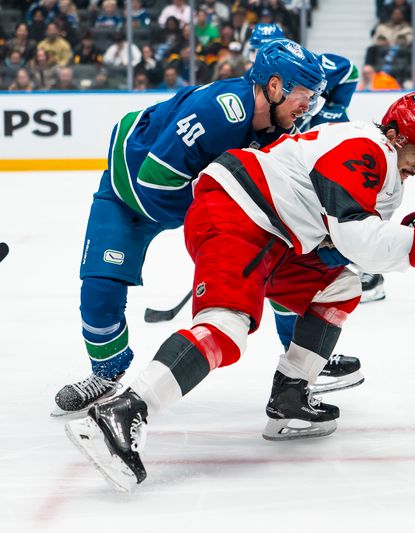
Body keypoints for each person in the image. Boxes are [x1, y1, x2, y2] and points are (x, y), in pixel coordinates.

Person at [65, 92, 415, 491]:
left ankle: (289, 398)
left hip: (276, 234)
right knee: (226, 329)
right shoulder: (365, 146)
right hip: (239, 213)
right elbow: (359, 239)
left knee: (339, 285)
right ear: (396, 136)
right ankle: (122, 412)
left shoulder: (384, 172)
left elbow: (349, 245)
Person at [50, 39, 345, 416]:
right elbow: (154, 181)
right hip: (129, 194)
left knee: (278, 262)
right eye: (304, 95)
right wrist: (223, 204)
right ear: (274, 86)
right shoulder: (219, 112)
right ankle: (106, 372)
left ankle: (297, 360)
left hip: (190, 197)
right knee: (100, 288)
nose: (308, 107)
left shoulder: (280, 134)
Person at [246, 24, 373, 378]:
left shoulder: (309, 64)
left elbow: (347, 70)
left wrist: (334, 108)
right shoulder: (253, 89)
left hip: (315, 161)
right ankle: (298, 356)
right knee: (287, 272)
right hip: (283, 183)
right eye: (257, 46)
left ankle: (303, 357)